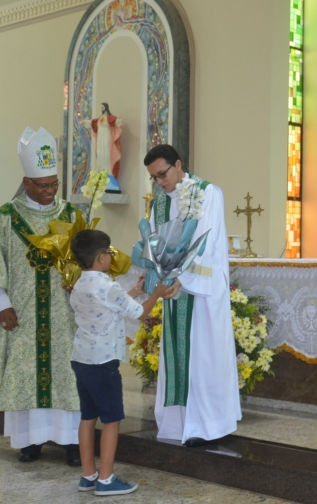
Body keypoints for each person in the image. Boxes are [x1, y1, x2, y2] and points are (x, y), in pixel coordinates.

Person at [0, 126, 84, 465]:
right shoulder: (5, 217)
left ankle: (71, 442)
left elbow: (89, 260)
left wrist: (76, 278)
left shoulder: (70, 215)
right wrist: (1, 306)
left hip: (65, 314)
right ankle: (30, 441)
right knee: (25, 373)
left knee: (67, 373)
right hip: (22, 313)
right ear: (27, 183)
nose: (50, 191)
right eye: (43, 185)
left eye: (54, 184)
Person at [144, 144, 241, 445]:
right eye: (154, 178)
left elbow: (208, 245)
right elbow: (152, 240)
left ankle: (209, 425)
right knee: (177, 354)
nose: (160, 183)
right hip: (173, 293)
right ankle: (177, 424)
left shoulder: (207, 193)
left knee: (203, 355)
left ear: (178, 164)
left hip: (200, 295)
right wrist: (156, 272)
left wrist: (183, 280)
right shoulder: (158, 202)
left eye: (162, 174)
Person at [69, 229, 176, 496]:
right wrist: (157, 294)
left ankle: (88, 475)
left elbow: (112, 304)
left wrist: (138, 290)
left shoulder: (80, 284)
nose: (110, 256)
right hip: (104, 362)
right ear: (101, 257)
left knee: (87, 416)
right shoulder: (108, 286)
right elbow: (139, 313)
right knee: (112, 419)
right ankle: (106, 480)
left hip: (82, 360)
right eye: (109, 252)